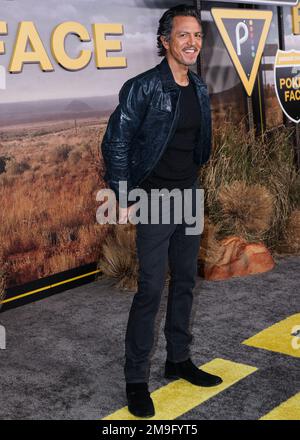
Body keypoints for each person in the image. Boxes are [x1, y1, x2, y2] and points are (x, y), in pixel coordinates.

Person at [100, 3, 222, 418]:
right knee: (151, 289)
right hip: (153, 199)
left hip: (188, 195)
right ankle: (136, 379)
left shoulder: (199, 87)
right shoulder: (143, 87)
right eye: (184, 35)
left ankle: (178, 359)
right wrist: (122, 195)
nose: (192, 42)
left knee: (186, 281)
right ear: (164, 41)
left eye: (197, 36)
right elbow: (115, 142)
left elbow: (195, 142)